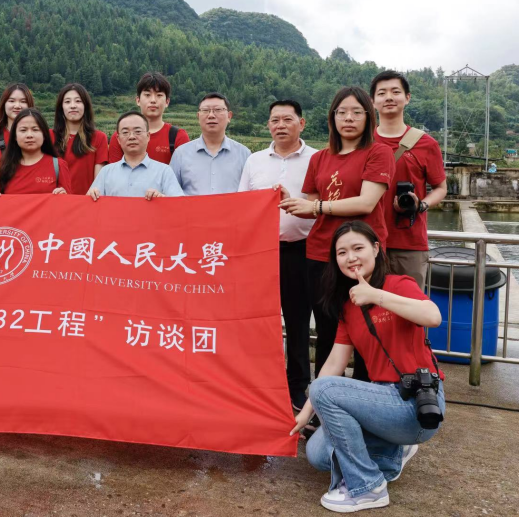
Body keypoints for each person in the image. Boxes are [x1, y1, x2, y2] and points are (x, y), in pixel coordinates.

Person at [291, 221, 445, 513]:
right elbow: (334, 363)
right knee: (318, 454)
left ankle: (367, 487)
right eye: (342, 252)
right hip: (380, 401)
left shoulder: (398, 284)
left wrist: (376, 296)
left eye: (358, 248)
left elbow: (433, 316)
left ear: (375, 249)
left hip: (416, 403)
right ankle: (392, 455)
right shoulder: (349, 306)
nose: (350, 258)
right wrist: (307, 411)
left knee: (324, 390)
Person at [278, 87, 394, 381]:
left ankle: (365, 393)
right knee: (327, 330)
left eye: (356, 112)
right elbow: (311, 207)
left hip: (362, 256)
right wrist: (290, 201)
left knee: (367, 327)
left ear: (368, 117)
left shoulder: (378, 152)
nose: (348, 118)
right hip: (320, 254)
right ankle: (324, 396)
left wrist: (315, 206)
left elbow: (366, 203)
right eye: (341, 112)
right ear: (332, 118)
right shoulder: (319, 158)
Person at [237, 100, 317, 410]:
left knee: (297, 322)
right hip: (260, 253)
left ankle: (297, 388)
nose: (280, 125)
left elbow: (321, 205)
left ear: (302, 123)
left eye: (287, 119)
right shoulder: (254, 160)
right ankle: (259, 384)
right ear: (268, 125)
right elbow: (242, 205)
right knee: (258, 322)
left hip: (301, 250)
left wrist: (292, 201)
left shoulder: (317, 159)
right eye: (275, 120)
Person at [371, 71, 447, 292]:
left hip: (410, 243)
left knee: (410, 305)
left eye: (395, 92)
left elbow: (440, 188)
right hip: (367, 242)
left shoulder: (426, 144)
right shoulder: (363, 142)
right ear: (373, 101)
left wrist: (421, 204)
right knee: (368, 307)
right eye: (382, 93)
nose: (389, 97)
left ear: (407, 98)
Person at [88, 111, 183, 200]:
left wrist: (163, 199)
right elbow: (90, 204)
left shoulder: (164, 171)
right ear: (118, 139)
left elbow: (178, 205)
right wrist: (92, 195)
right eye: (125, 132)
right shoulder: (106, 172)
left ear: (148, 136)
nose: (132, 137)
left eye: (137, 131)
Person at [169, 93, 251, 195]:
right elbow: (170, 192)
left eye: (218, 110)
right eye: (205, 110)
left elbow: (252, 194)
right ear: (198, 116)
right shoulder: (180, 154)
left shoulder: (244, 154)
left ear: (229, 116)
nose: (211, 115)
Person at [107, 72, 189, 165]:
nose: (153, 100)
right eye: (147, 95)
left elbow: (184, 171)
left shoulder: (178, 137)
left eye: (159, 95)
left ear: (167, 102)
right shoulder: (121, 137)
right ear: (138, 100)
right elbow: (116, 171)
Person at [0, 108, 71, 195]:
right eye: (23, 130)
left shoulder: (58, 166)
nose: (29, 135)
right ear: (15, 136)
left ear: (44, 135)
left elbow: (70, 201)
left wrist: (64, 195)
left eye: (35, 130)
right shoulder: (3, 167)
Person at [52, 83, 109, 194]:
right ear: (61, 107)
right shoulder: (49, 136)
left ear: (85, 106)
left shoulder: (99, 138)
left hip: (87, 200)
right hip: (57, 200)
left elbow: (98, 182)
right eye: (67, 102)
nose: (73, 106)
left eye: (78, 101)